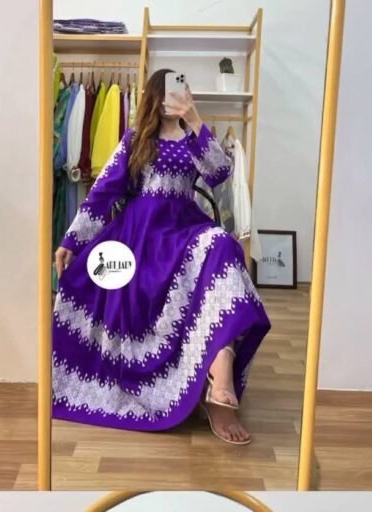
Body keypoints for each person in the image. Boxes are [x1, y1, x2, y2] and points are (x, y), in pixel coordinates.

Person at [53, 68, 271, 445]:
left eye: (182, 89)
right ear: (156, 95)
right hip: (139, 235)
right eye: (170, 90)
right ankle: (213, 383)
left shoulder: (194, 139)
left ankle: (221, 375)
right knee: (99, 282)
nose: (177, 96)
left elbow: (220, 172)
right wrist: (71, 241)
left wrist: (195, 119)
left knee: (222, 245)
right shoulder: (136, 139)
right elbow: (102, 193)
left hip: (185, 230)